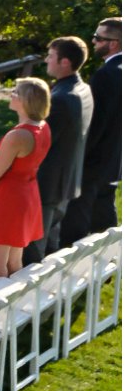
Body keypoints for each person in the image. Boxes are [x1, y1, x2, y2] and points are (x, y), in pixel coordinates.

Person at [0, 78, 53, 281]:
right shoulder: (43, 126)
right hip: (27, 194)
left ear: (26, 101)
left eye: (16, 93)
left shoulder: (18, 136)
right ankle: (14, 304)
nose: (11, 95)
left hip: (8, 199)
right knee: (14, 259)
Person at [32, 36, 92, 262]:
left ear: (64, 62)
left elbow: (41, 144)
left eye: (50, 56)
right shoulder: (83, 89)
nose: (47, 60)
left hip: (47, 185)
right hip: (67, 181)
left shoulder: (61, 98)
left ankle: (31, 295)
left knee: (34, 251)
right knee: (51, 245)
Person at [73, 18, 121, 242]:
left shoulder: (106, 75)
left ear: (114, 43)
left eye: (99, 38)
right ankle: (110, 258)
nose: (93, 41)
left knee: (87, 216)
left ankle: (93, 262)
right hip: (117, 155)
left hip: (98, 159)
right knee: (104, 207)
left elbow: (96, 123)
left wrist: (81, 156)